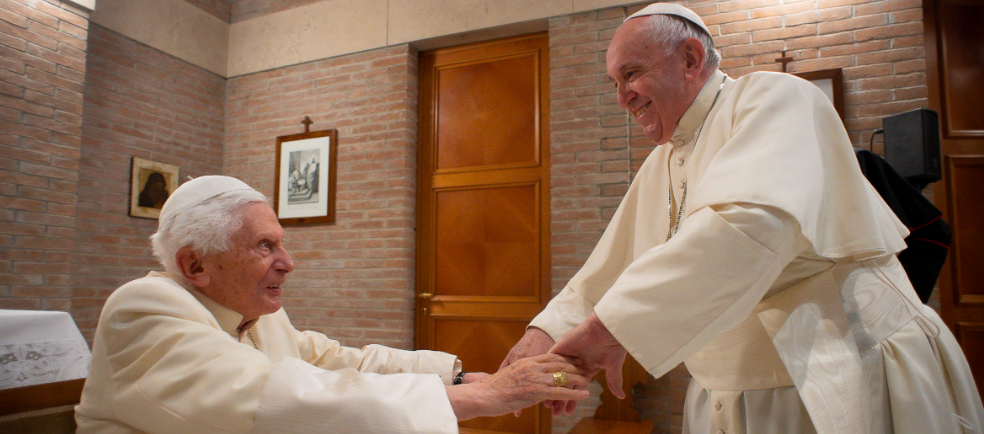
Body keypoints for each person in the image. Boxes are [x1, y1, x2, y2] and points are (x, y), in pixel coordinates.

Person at [499, 4, 984, 434]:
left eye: (632, 74)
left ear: (690, 59)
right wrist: (544, 336)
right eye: (616, 82)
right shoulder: (662, 162)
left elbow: (748, 226)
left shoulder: (774, 99)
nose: (622, 96)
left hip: (840, 369)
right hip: (729, 394)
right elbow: (607, 270)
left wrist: (609, 330)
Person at [75, 175, 590, 434]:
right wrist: (485, 399)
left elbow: (333, 359)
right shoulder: (143, 308)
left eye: (281, 243)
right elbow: (285, 394)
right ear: (194, 266)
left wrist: (459, 377)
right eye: (264, 247)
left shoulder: (251, 313)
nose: (287, 262)